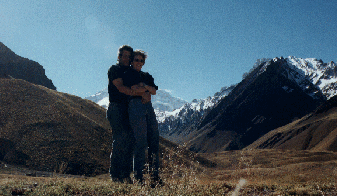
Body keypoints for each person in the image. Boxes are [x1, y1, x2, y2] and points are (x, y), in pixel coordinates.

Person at [122, 50, 161, 186]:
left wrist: (142, 87)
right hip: (135, 106)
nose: (139, 62)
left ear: (143, 62)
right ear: (132, 61)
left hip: (148, 107)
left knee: (154, 140)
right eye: (136, 60)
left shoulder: (147, 75)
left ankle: (155, 176)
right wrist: (146, 91)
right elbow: (132, 89)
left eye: (141, 60)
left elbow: (154, 91)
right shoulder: (128, 74)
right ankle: (139, 178)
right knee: (141, 142)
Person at [107, 45, 135, 183]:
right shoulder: (114, 69)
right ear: (119, 57)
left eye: (129, 57)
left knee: (129, 141)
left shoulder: (131, 72)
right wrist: (136, 91)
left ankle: (125, 174)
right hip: (116, 108)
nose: (127, 59)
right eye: (124, 56)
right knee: (119, 139)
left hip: (128, 109)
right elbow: (120, 87)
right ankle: (115, 175)